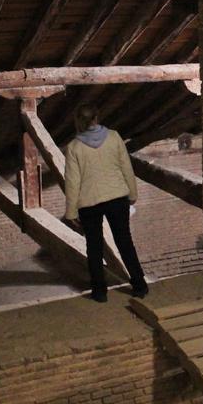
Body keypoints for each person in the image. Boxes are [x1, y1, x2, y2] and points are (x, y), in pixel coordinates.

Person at [64, 104, 148, 302]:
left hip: (89, 203)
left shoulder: (74, 147)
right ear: (97, 117)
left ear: (77, 120)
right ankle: (139, 286)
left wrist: (71, 212)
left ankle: (100, 292)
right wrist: (132, 193)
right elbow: (126, 166)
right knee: (125, 242)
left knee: (94, 247)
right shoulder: (114, 137)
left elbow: (72, 182)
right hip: (117, 197)